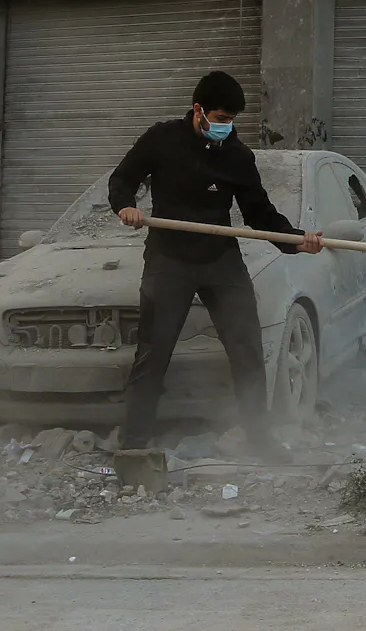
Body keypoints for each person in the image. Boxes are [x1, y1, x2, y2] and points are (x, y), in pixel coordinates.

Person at [110, 71, 322, 456]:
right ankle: (134, 444)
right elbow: (122, 178)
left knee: (247, 349)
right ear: (198, 111)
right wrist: (125, 205)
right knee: (153, 353)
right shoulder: (162, 138)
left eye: (230, 120)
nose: (225, 126)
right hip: (168, 258)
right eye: (220, 118)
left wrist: (295, 241)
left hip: (219, 259)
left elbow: (259, 212)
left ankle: (260, 438)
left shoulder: (238, 156)